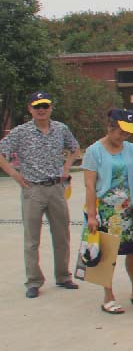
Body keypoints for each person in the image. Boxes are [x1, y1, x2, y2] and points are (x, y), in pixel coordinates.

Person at [0, 91, 82, 299]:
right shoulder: (21, 132)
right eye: (37, 106)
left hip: (56, 188)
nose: (41, 110)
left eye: (45, 105)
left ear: (51, 107)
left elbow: (75, 148)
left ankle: (63, 276)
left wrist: (66, 168)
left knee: (62, 235)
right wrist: (14, 174)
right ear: (30, 109)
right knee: (32, 239)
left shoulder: (60, 129)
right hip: (33, 189)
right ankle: (34, 281)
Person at [82, 108, 133, 314]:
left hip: (129, 207)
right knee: (108, 253)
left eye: (127, 132)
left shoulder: (131, 149)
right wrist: (92, 215)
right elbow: (90, 186)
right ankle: (108, 296)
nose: (123, 136)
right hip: (106, 210)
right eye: (120, 132)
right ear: (110, 127)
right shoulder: (94, 151)